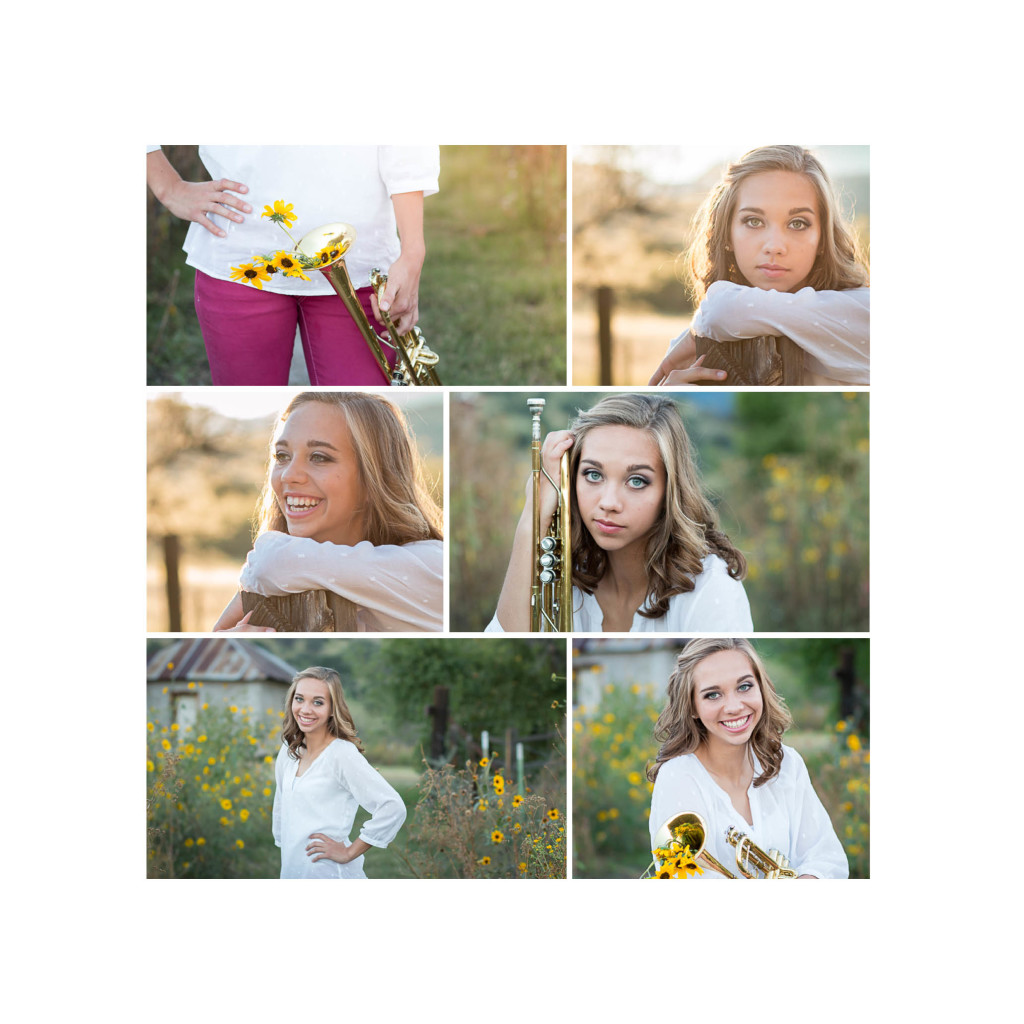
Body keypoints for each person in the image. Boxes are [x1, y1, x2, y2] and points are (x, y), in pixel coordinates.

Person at [146, 145, 439, 385]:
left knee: (363, 413)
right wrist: (166, 187)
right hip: (240, 256)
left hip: (359, 261)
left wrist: (413, 250)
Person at [487, 393, 752, 632]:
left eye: (637, 481)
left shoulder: (712, 589)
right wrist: (532, 518)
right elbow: (505, 645)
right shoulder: (564, 570)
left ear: (669, 490)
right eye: (593, 474)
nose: (609, 502)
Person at [214, 391, 443, 633]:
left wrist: (249, 586)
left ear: (374, 479)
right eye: (282, 456)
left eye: (319, 457)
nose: (289, 475)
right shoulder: (282, 578)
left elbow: (273, 561)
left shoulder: (433, 563)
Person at [649, 145, 869, 387]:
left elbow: (722, 309)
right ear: (727, 235)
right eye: (754, 221)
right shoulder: (698, 336)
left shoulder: (863, 310)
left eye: (797, 223)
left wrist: (697, 331)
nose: (774, 246)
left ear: (822, 239)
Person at [647, 638, 849, 879]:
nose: (734, 706)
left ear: (760, 689)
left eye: (744, 687)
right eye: (713, 695)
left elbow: (827, 857)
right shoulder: (677, 777)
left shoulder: (787, 764)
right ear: (692, 706)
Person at [273, 666, 406, 879]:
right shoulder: (289, 751)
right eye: (299, 699)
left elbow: (392, 807)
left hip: (329, 873)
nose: (305, 709)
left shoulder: (341, 754)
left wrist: (348, 852)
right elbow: (282, 805)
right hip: (293, 870)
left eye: (318, 702)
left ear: (332, 709)